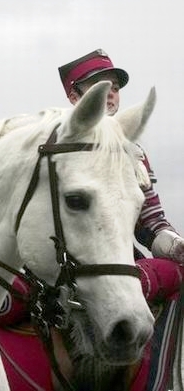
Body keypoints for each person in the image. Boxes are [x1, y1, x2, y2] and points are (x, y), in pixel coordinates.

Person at [58, 49, 184, 263]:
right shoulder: (55, 149)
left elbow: (150, 221)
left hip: (121, 260)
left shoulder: (135, 154)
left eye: (114, 88)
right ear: (73, 97)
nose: (110, 93)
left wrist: (174, 245)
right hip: (66, 262)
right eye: (100, 88)